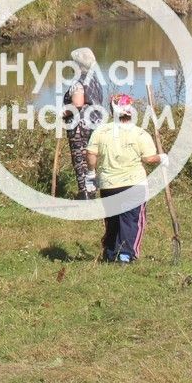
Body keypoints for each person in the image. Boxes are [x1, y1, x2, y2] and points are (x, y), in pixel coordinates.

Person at [85, 93, 165, 264]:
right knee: (131, 220)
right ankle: (126, 255)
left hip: (108, 185)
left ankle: (110, 252)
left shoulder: (101, 131)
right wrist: (162, 158)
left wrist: (90, 173)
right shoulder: (140, 133)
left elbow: (91, 153)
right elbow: (149, 159)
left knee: (113, 219)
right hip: (134, 185)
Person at [61, 47, 105, 198]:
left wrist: (64, 113)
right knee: (91, 156)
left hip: (80, 125)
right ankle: (92, 190)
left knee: (79, 157)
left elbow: (78, 104)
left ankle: (84, 193)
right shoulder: (95, 81)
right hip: (95, 123)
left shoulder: (78, 82)